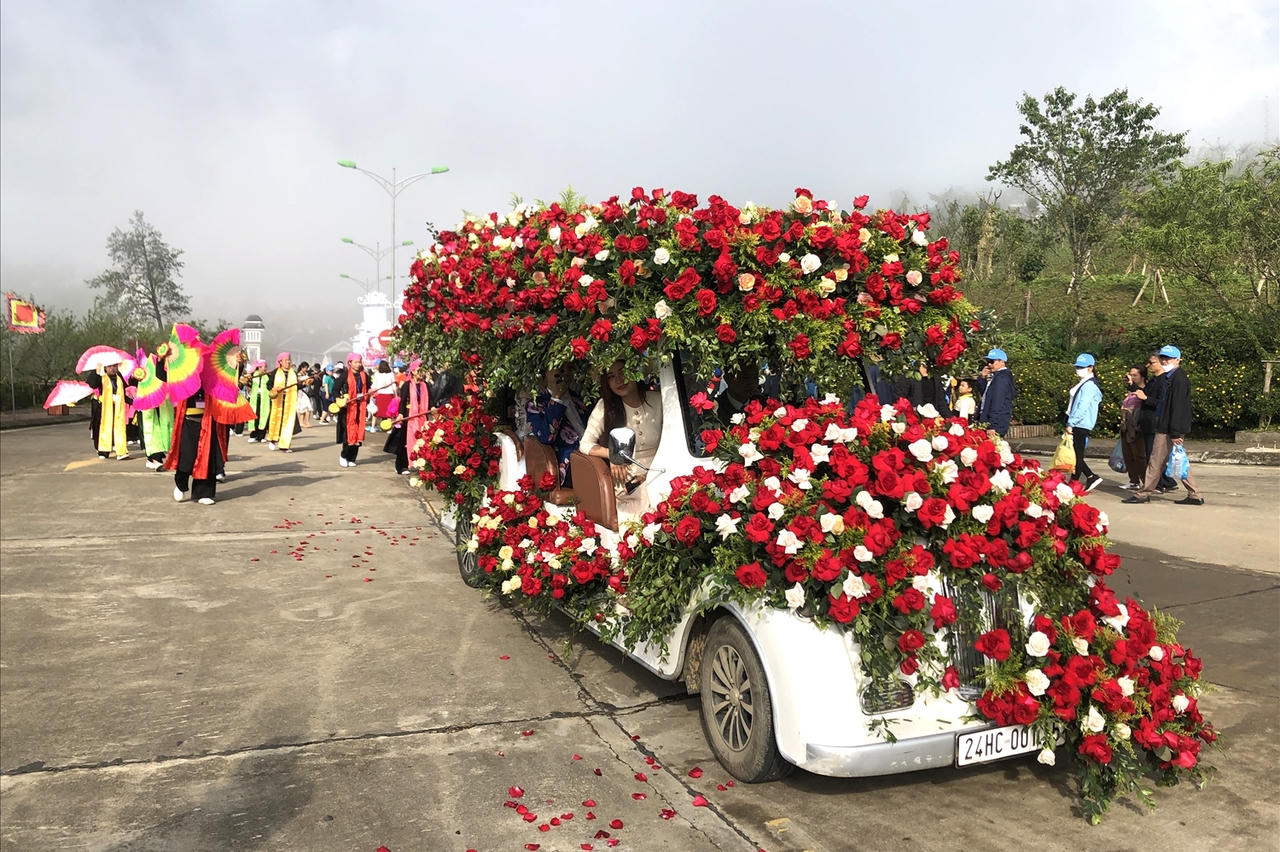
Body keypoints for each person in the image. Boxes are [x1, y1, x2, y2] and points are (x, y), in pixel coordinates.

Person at [579, 359, 663, 519]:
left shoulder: (658, 400)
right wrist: (613, 454)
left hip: (660, 478)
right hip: (628, 490)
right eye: (611, 376)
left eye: (623, 372)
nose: (618, 380)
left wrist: (647, 476)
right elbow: (585, 444)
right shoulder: (605, 406)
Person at [1125, 345, 1204, 505]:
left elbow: (1178, 407)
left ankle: (1144, 493)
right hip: (1169, 425)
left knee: (1156, 460)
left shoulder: (1178, 379)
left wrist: (1175, 432)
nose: (1164, 360)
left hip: (1169, 427)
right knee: (1178, 459)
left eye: (1168, 358)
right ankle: (1195, 494)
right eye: (1162, 358)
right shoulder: (1172, 377)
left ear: (1177, 360)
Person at [525, 364, 589, 485]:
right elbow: (545, 437)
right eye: (560, 371)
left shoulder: (581, 399)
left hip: (591, 454)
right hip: (568, 464)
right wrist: (556, 397)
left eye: (568, 369)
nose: (564, 375)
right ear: (546, 374)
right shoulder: (535, 404)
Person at [1136, 351, 1178, 493]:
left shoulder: (1164, 381)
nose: (1148, 366)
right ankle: (1165, 481)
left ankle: (1158, 484)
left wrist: (1145, 398)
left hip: (1155, 422)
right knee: (1152, 455)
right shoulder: (1154, 380)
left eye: (1151, 363)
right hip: (1147, 421)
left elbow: (1161, 402)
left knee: (1153, 456)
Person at [1065, 353, 1103, 492]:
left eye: (1082, 367)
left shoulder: (1090, 386)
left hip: (1080, 423)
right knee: (1075, 455)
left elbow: (1082, 406)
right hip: (1077, 422)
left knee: (1076, 456)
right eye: (1077, 366)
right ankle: (1087, 477)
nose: (1078, 369)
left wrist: (1071, 423)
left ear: (1091, 368)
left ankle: (1078, 481)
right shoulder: (1084, 383)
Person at [84, 362, 131, 459]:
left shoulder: (119, 377)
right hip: (102, 406)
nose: (113, 369)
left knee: (119, 427)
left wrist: (133, 401)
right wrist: (96, 372)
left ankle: (121, 451)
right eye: (110, 366)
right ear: (105, 367)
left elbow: (125, 390)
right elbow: (91, 384)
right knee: (101, 427)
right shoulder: (101, 375)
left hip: (117, 406)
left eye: (114, 366)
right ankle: (103, 451)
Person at [336, 352, 370, 467]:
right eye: (355, 362)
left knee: (359, 433)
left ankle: (352, 458)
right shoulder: (344, 375)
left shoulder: (364, 375)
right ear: (349, 363)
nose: (358, 364)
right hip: (348, 409)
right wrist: (340, 399)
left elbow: (368, 389)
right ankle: (343, 455)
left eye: (359, 362)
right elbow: (335, 390)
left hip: (361, 407)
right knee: (349, 433)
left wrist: (370, 393)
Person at [1119, 365, 1149, 490]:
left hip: (1137, 426)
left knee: (1139, 455)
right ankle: (1134, 480)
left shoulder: (1144, 390)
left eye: (1135, 375)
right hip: (1127, 424)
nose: (1132, 378)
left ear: (1142, 376)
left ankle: (1145, 481)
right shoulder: (1131, 391)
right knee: (1128, 454)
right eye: (1130, 375)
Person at [976, 347, 1016, 438]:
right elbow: (986, 396)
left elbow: (997, 402)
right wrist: (982, 378)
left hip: (995, 423)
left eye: (992, 361)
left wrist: (992, 425)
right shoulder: (995, 377)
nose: (989, 364)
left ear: (1002, 362)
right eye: (988, 362)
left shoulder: (1001, 378)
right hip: (990, 420)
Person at [266, 352, 300, 452]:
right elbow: (268, 385)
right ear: (280, 362)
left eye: (289, 360)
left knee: (288, 422)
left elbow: (296, 386)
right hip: (278, 401)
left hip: (289, 401)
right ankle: (272, 439)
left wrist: (306, 383)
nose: (288, 362)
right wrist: (274, 388)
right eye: (286, 360)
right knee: (276, 420)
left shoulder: (293, 373)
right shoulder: (275, 372)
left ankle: (284, 445)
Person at [245, 361, 271, 442]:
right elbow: (248, 384)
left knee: (263, 416)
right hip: (255, 398)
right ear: (259, 367)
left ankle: (261, 436)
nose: (265, 368)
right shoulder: (253, 375)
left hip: (264, 398)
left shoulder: (267, 376)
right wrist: (247, 380)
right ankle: (253, 435)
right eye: (264, 367)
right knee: (254, 416)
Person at [370, 359, 396, 432]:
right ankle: (389, 429)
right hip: (389, 395)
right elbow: (394, 386)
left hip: (380, 394)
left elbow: (374, 385)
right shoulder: (391, 374)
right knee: (389, 412)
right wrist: (396, 395)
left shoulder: (377, 374)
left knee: (376, 411)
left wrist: (372, 393)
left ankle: (372, 427)